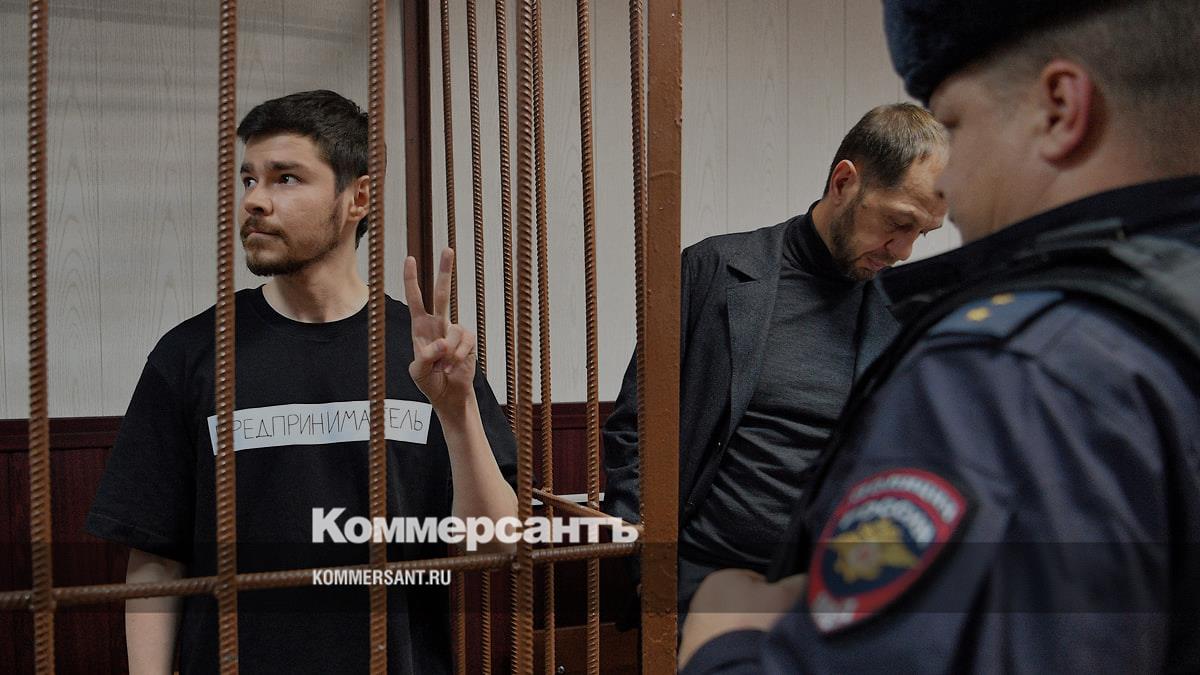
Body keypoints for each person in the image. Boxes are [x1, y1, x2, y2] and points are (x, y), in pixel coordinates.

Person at [678, 1, 1200, 672]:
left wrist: (725, 641)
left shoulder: (1011, 369)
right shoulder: (1152, 316)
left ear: (1059, 108)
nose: (950, 180)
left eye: (955, 122)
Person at [86, 90, 518, 675]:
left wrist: (456, 411)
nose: (254, 201)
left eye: (285, 178)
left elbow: (495, 544)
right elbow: (155, 559)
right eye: (248, 179)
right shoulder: (191, 354)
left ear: (357, 197)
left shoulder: (425, 355)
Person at [602, 103, 949, 615]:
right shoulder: (712, 270)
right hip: (701, 590)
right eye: (899, 223)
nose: (903, 250)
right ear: (844, 181)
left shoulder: (904, 314)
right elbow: (634, 429)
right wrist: (648, 571)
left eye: (923, 233)